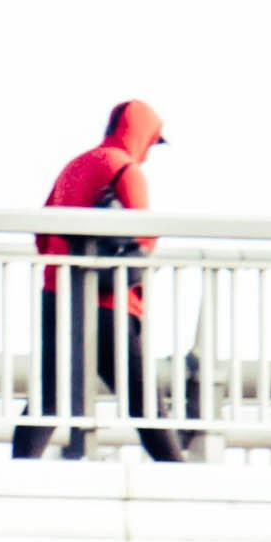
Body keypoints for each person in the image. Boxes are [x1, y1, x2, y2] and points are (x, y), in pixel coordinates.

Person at [13, 97, 186, 460]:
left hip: (59, 296)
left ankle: (18, 474)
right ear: (140, 135)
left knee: (50, 397)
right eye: (152, 143)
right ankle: (184, 485)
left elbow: (42, 235)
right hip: (111, 307)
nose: (150, 154)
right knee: (147, 407)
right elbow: (145, 239)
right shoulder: (126, 170)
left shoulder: (73, 166)